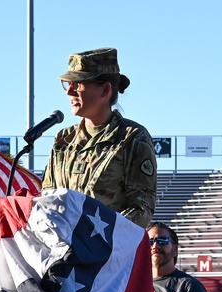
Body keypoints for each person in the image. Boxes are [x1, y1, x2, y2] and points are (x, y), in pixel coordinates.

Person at [41, 47, 157, 227]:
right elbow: (48, 197)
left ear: (105, 90)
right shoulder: (64, 139)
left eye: (77, 84)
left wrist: (99, 236)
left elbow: (141, 208)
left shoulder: (132, 138)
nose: (69, 92)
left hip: (109, 251)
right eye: (67, 84)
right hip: (64, 248)